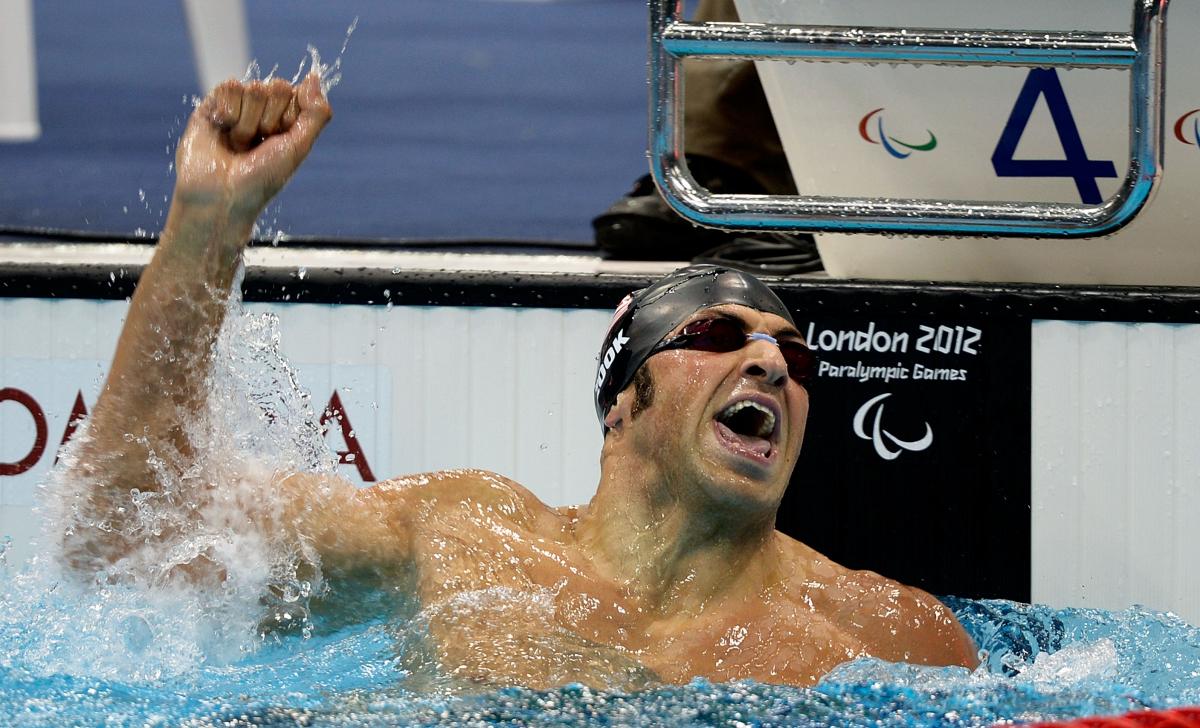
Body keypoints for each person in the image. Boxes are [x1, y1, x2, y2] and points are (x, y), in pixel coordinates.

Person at [60, 72, 976, 690]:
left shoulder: (886, 634)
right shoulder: (459, 537)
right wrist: (208, 225)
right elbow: (128, 529)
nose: (772, 363)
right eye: (716, 334)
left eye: (793, 355)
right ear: (623, 403)